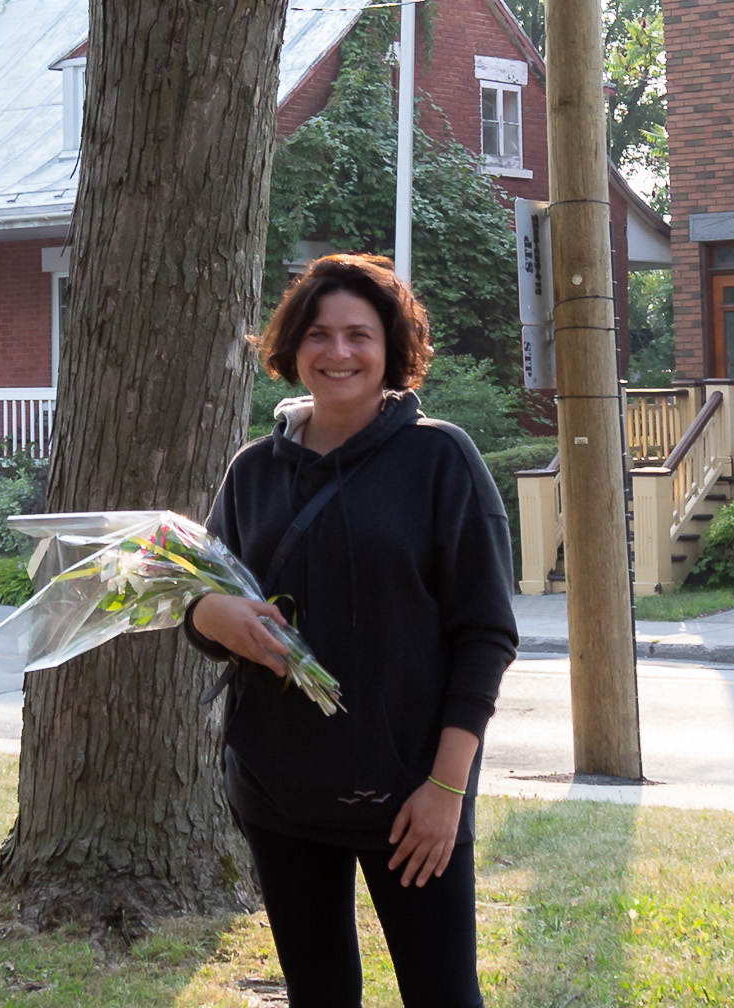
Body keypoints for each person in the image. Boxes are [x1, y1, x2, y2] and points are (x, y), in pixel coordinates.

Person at [185, 251, 517, 1008]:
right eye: (319, 334)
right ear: (293, 345)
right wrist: (216, 615)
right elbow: (201, 603)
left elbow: (487, 635)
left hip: (409, 800)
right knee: (319, 994)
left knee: (443, 996)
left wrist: (445, 790)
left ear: (390, 348)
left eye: (359, 335)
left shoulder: (440, 459)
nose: (338, 353)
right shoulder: (253, 471)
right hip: (278, 794)